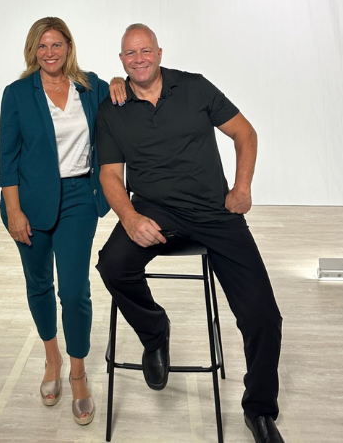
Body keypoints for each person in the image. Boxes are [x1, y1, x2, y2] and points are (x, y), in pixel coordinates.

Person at [96, 24, 285, 443]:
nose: (139, 59)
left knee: (263, 316)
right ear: (121, 60)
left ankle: (259, 411)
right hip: (154, 209)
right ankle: (155, 333)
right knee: (112, 265)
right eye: (130, 53)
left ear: (159, 53)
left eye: (146, 51)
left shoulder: (195, 87)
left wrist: (242, 187)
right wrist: (129, 218)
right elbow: (110, 174)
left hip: (213, 211)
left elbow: (244, 132)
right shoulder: (113, 107)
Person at [0, 17, 125, 425]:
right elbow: (7, 159)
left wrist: (119, 79)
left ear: (69, 47)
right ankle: (52, 358)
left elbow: (121, 96)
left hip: (78, 199)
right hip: (28, 202)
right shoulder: (17, 93)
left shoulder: (91, 87)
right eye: (42, 46)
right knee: (39, 284)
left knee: (73, 291)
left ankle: (78, 371)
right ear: (32, 51)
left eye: (56, 44)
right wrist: (14, 211)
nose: (49, 52)